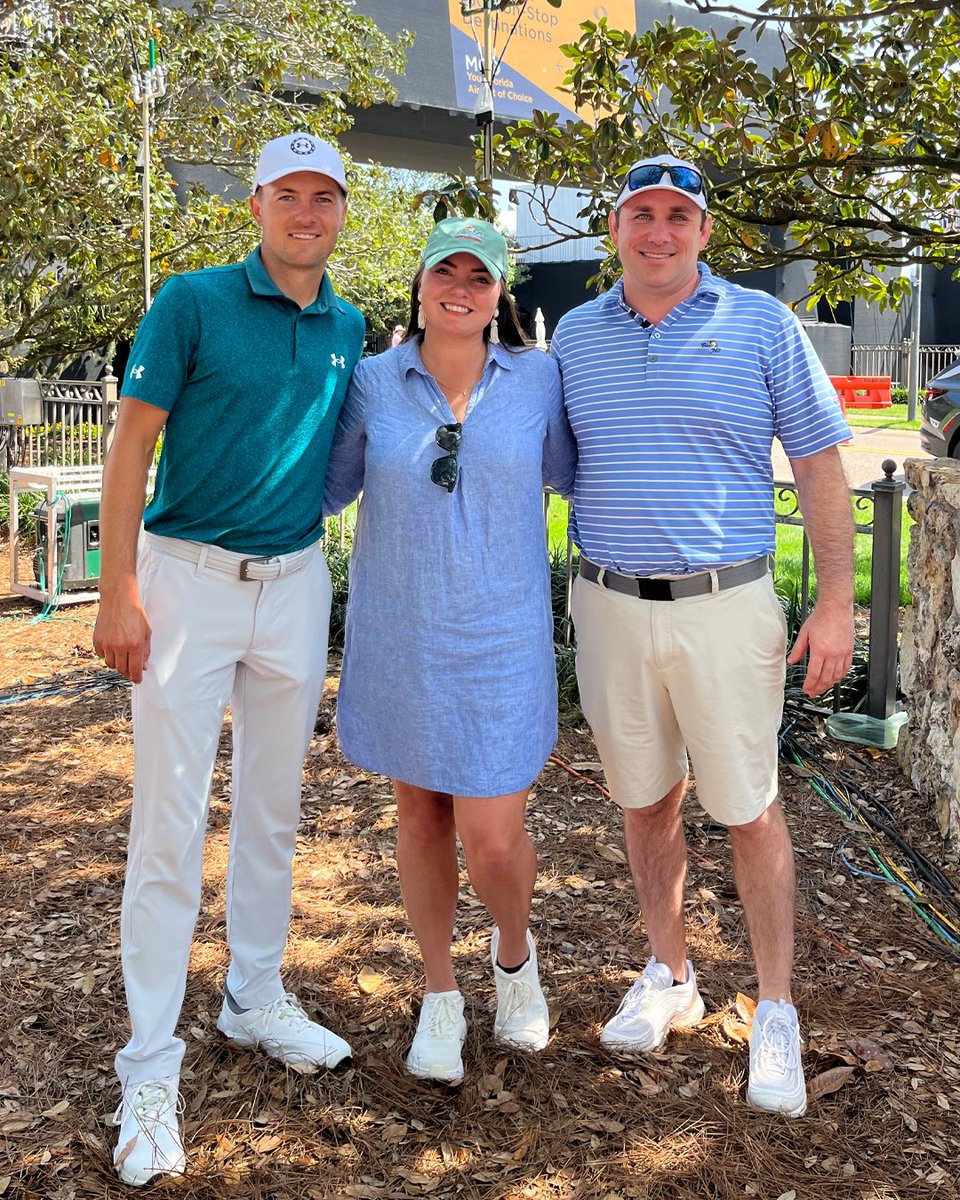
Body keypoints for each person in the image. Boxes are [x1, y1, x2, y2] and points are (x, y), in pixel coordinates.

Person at [551, 154, 854, 1117]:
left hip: (728, 607)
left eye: (678, 216)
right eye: (642, 214)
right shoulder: (575, 334)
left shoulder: (762, 324)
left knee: (750, 809)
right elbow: (550, 461)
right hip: (607, 604)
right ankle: (671, 972)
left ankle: (774, 1011)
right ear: (615, 229)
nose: (659, 232)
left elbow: (819, 462)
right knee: (646, 801)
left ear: (704, 232)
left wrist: (839, 600)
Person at [92, 133, 365, 1186]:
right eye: (288, 195)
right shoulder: (191, 301)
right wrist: (117, 590)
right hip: (186, 585)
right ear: (256, 205)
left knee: (273, 814)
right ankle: (149, 1068)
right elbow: (131, 444)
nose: (307, 213)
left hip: (294, 586)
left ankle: (253, 997)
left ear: (342, 211)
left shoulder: (346, 324)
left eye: (324, 197)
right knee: (168, 830)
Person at [323, 217, 577, 1085]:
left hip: (503, 643)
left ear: (499, 293)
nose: (460, 289)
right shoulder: (370, 383)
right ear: (421, 284)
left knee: (494, 837)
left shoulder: (539, 381)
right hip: (402, 635)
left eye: (479, 276)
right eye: (446, 273)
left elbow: (585, 474)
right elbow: (324, 484)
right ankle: (438, 994)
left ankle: (514, 958)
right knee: (422, 816)